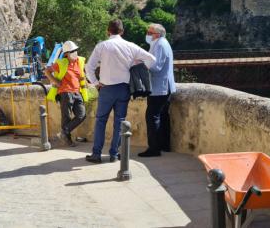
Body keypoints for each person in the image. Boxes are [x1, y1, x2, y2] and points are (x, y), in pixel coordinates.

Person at [84, 19, 156, 163]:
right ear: (122, 32)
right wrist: (137, 66)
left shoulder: (102, 46)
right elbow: (151, 59)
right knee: (120, 122)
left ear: (108, 31)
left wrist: (96, 83)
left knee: (101, 121)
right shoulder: (130, 46)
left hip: (106, 89)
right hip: (124, 88)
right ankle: (114, 154)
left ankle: (96, 154)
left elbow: (89, 68)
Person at [139, 24, 177, 157]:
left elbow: (156, 66)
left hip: (159, 87)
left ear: (158, 34)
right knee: (163, 116)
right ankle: (164, 145)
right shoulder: (160, 43)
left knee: (152, 116)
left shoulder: (160, 45)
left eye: (150, 32)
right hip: (162, 86)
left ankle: (154, 148)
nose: (147, 34)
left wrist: (141, 64)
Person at [45, 41, 89, 147]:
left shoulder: (80, 62)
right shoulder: (61, 63)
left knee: (81, 115)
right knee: (66, 117)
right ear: (66, 54)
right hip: (65, 92)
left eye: (75, 50)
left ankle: (63, 132)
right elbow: (47, 71)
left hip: (77, 92)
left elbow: (82, 77)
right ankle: (67, 140)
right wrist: (55, 81)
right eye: (72, 51)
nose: (75, 52)